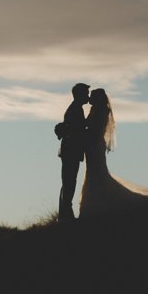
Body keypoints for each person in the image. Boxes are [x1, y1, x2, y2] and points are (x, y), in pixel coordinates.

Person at [78, 88, 148, 217]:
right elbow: (86, 124)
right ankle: (94, 204)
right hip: (91, 146)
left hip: (95, 145)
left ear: (97, 98)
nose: (89, 98)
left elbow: (97, 130)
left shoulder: (103, 110)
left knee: (98, 172)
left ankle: (97, 204)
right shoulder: (94, 109)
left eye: (92, 96)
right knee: (92, 172)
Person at [54, 83, 90, 222]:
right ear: (79, 95)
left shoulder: (76, 108)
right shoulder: (75, 109)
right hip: (71, 150)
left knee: (69, 182)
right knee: (69, 182)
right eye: (86, 94)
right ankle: (65, 215)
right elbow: (77, 130)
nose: (87, 97)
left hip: (71, 150)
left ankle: (65, 213)